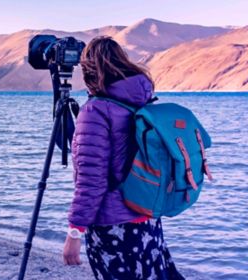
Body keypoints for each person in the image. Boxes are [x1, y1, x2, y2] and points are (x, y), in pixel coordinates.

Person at [62, 36, 184, 280]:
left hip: (114, 228)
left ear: (89, 70)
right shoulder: (142, 103)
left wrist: (75, 232)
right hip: (147, 220)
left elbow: (91, 181)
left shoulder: (96, 111)